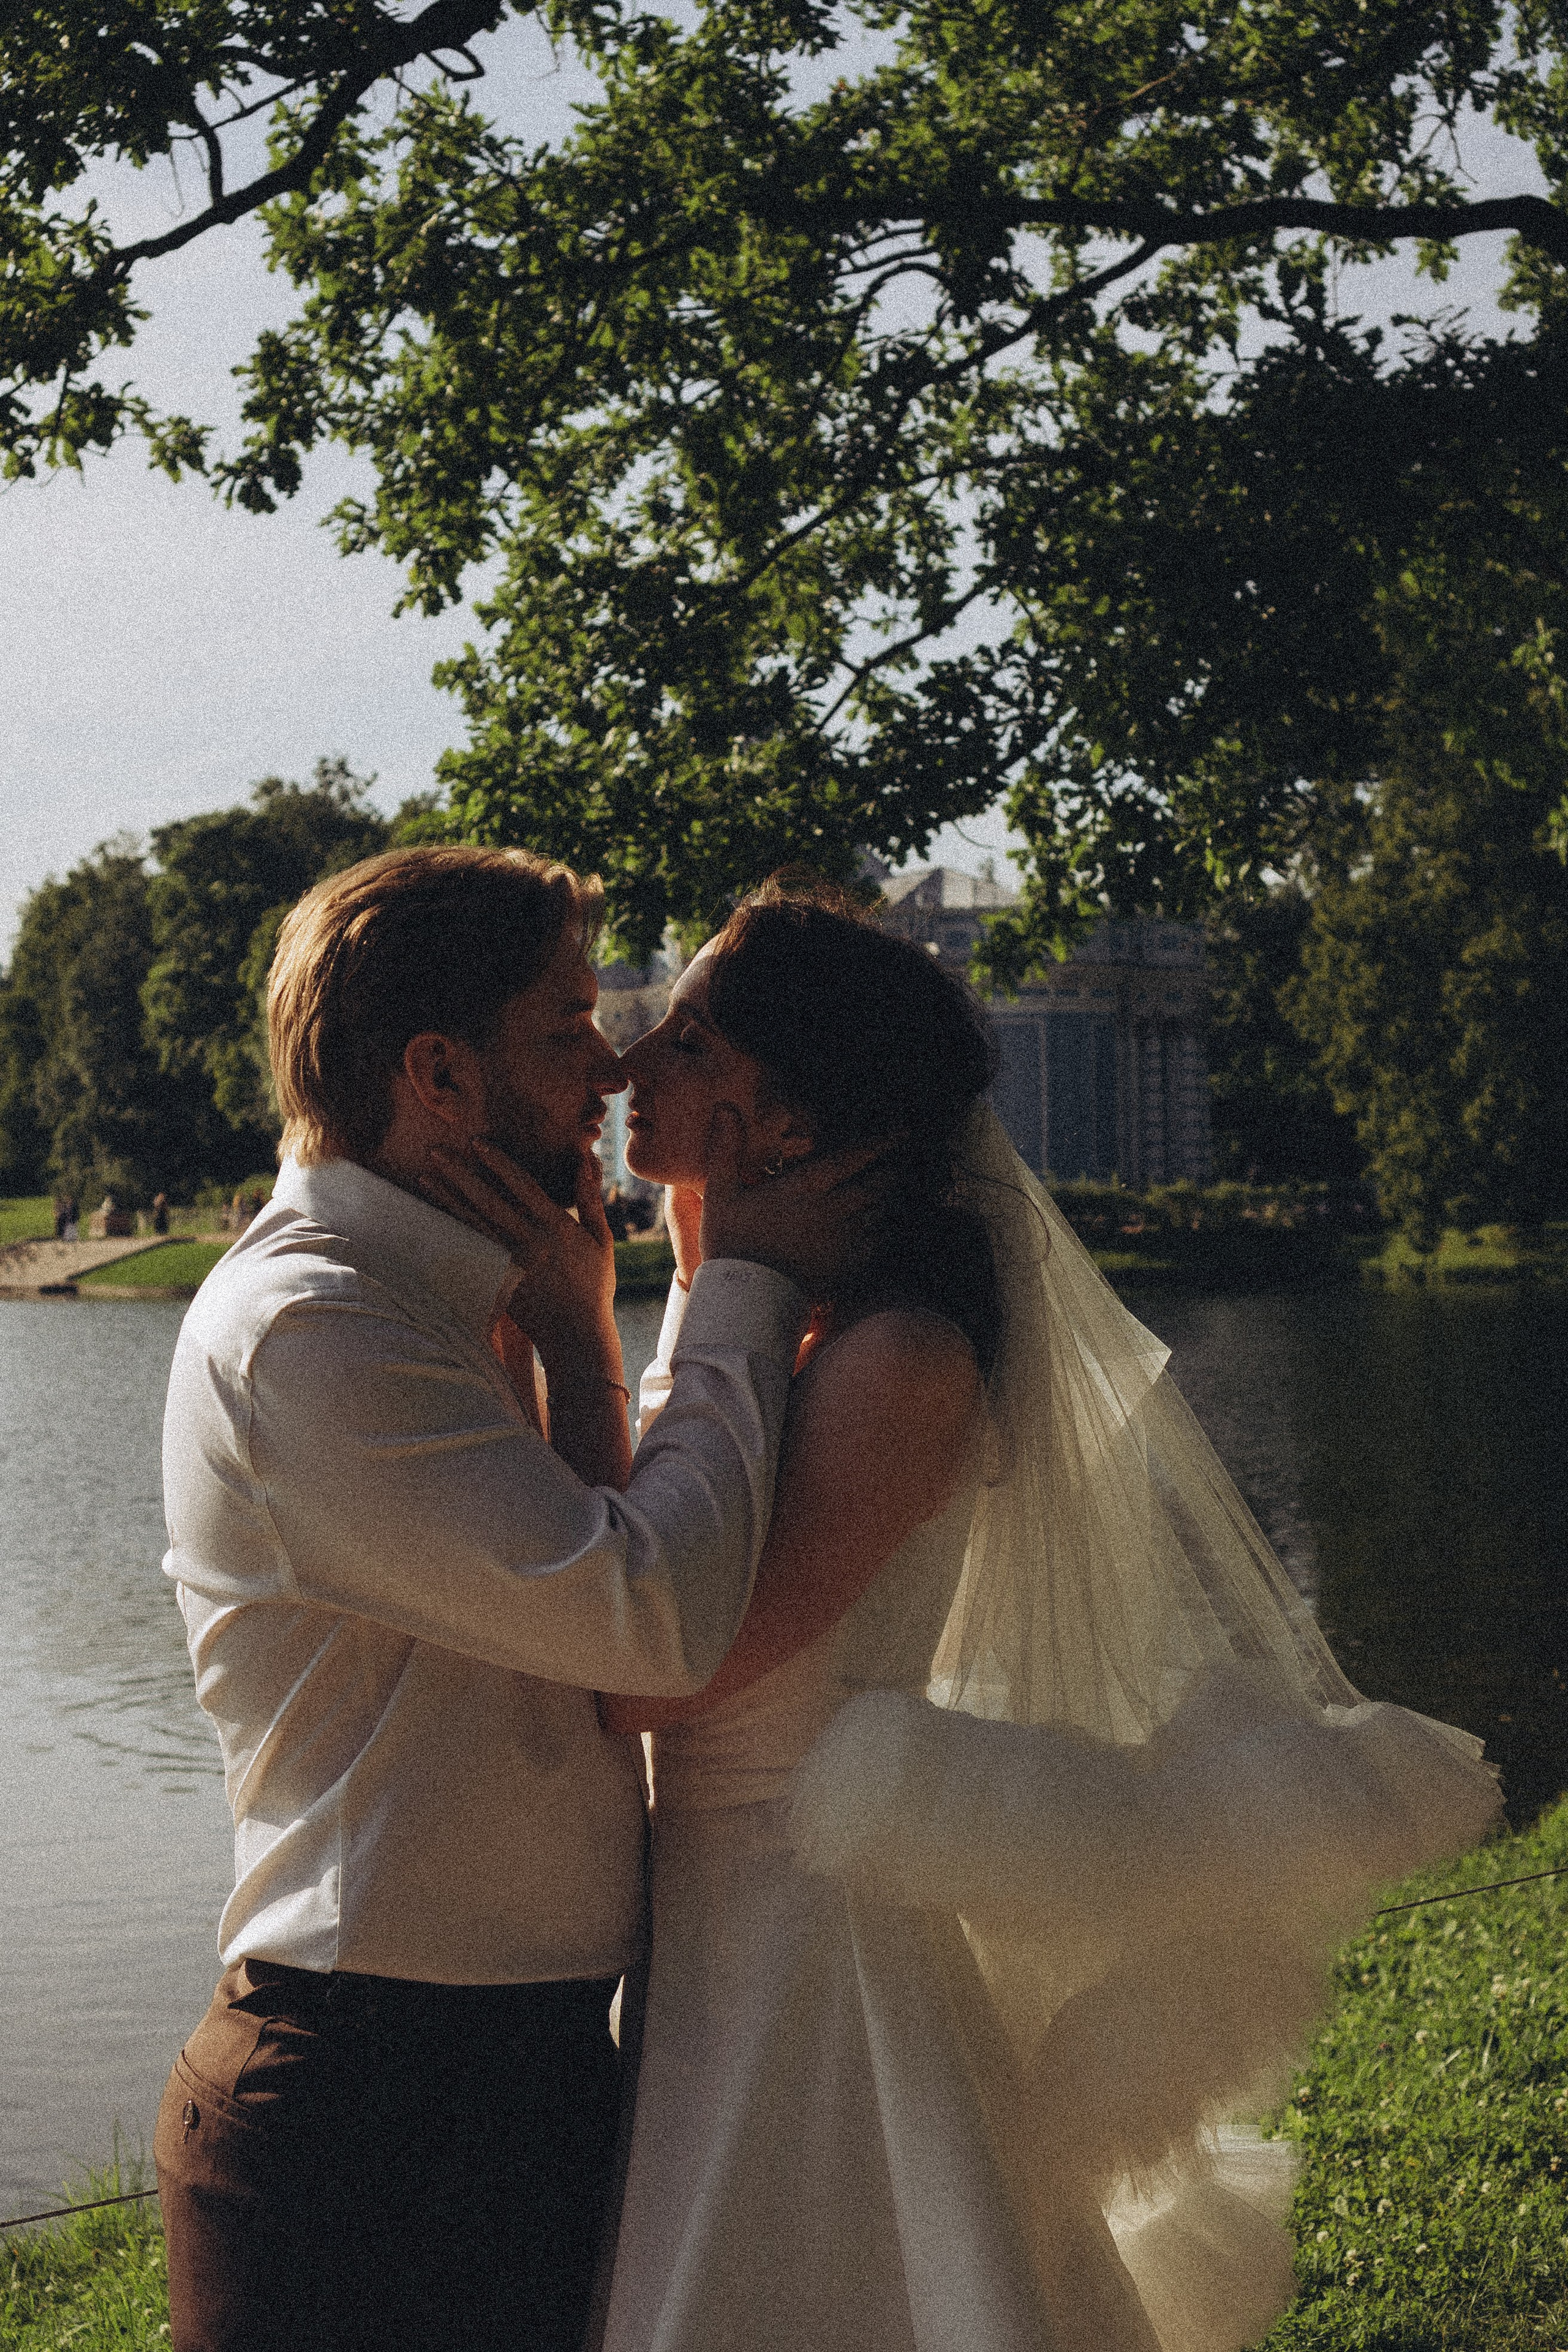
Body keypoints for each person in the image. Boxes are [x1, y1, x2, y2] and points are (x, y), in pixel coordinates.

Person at [454, 875, 1502, 2352]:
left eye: (688, 1043)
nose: (627, 1066)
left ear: (794, 1119)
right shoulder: (776, 1314)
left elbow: (649, 1679)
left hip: (807, 1947)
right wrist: (687, 1283)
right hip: (719, 1925)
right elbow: (649, 1560)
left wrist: (581, 1337)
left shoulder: (895, 1359)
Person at [151, 845, 878, 2352]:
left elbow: (598, 1610)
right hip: (369, 2112)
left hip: (512, 2072)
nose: (613, 1067)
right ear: (438, 1074)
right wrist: (735, 1279)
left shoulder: (452, 1299)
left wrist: (578, 1339)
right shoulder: (315, 1331)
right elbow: (651, 1621)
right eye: (565, 1029)